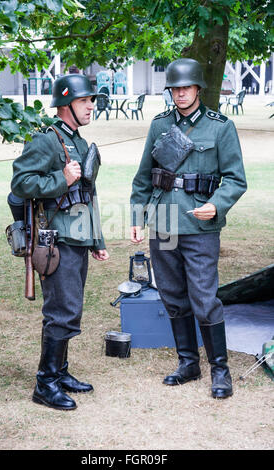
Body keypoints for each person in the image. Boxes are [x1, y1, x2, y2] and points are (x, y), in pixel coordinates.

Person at [130, 58, 247, 399]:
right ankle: (188, 364)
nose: (180, 94)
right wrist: (138, 219)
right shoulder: (160, 125)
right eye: (175, 89)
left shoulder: (220, 127)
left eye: (186, 88)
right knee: (172, 296)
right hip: (163, 223)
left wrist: (217, 204)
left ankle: (220, 370)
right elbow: (143, 177)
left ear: (198, 88)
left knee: (204, 298)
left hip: (199, 223)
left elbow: (236, 179)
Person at [11, 74, 109, 410]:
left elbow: (87, 194)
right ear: (66, 104)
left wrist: (97, 239)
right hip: (55, 240)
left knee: (71, 309)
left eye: (91, 101)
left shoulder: (79, 142)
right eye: (85, 101)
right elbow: (21, 183)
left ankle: (61, 372)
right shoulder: (47, 140)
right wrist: (60, 178)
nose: (91, 107)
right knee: (61, 312)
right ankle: (45, 383)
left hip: (78, 238)